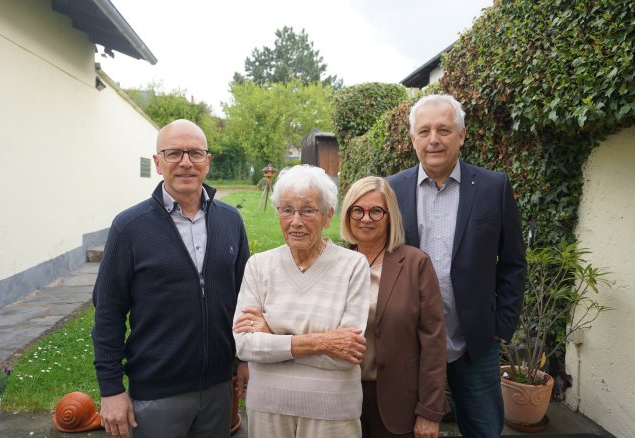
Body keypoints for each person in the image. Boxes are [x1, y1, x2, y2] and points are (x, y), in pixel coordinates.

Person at [91, 119, 251, 438]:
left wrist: (244, 360)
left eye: (195, 153)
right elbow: (108, 312)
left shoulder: (230, 221)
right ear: (158, 162)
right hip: (156, 396)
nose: (186, 163)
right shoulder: (130, 228)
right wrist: (110, 389)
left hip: (219, 389)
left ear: (208, 160)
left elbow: (247, 301)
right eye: (174, 153)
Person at [387, 94, 527, 438]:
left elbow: (513, 263)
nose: (433, 139)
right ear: (413, 139)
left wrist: (500, 325)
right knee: (403, 429)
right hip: (409, 340)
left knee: (482, 429)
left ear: (461, 135)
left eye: (444, 130)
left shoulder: (494, 187)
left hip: (474, 341)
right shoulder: (391, 190)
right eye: (424, 131)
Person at [232, 164, 370, 438]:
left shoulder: (353, 266)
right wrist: (324, 342)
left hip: (333, 412)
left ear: (328, 215)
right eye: (287, 210)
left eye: (308, 210)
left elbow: (346, 357)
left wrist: (272, 335)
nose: (296, 221)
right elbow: (246, 346)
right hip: (268, 410)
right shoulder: (259, 266)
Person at [339, 176, 448, 438]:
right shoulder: (334, 262)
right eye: (358, 210)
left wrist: (429, 411)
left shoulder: (415, 264)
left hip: (397, 400)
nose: (366, 218)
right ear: (347, 214)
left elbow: (434, 342)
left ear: (390, 216)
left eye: (376, 211)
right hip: (340, 395)